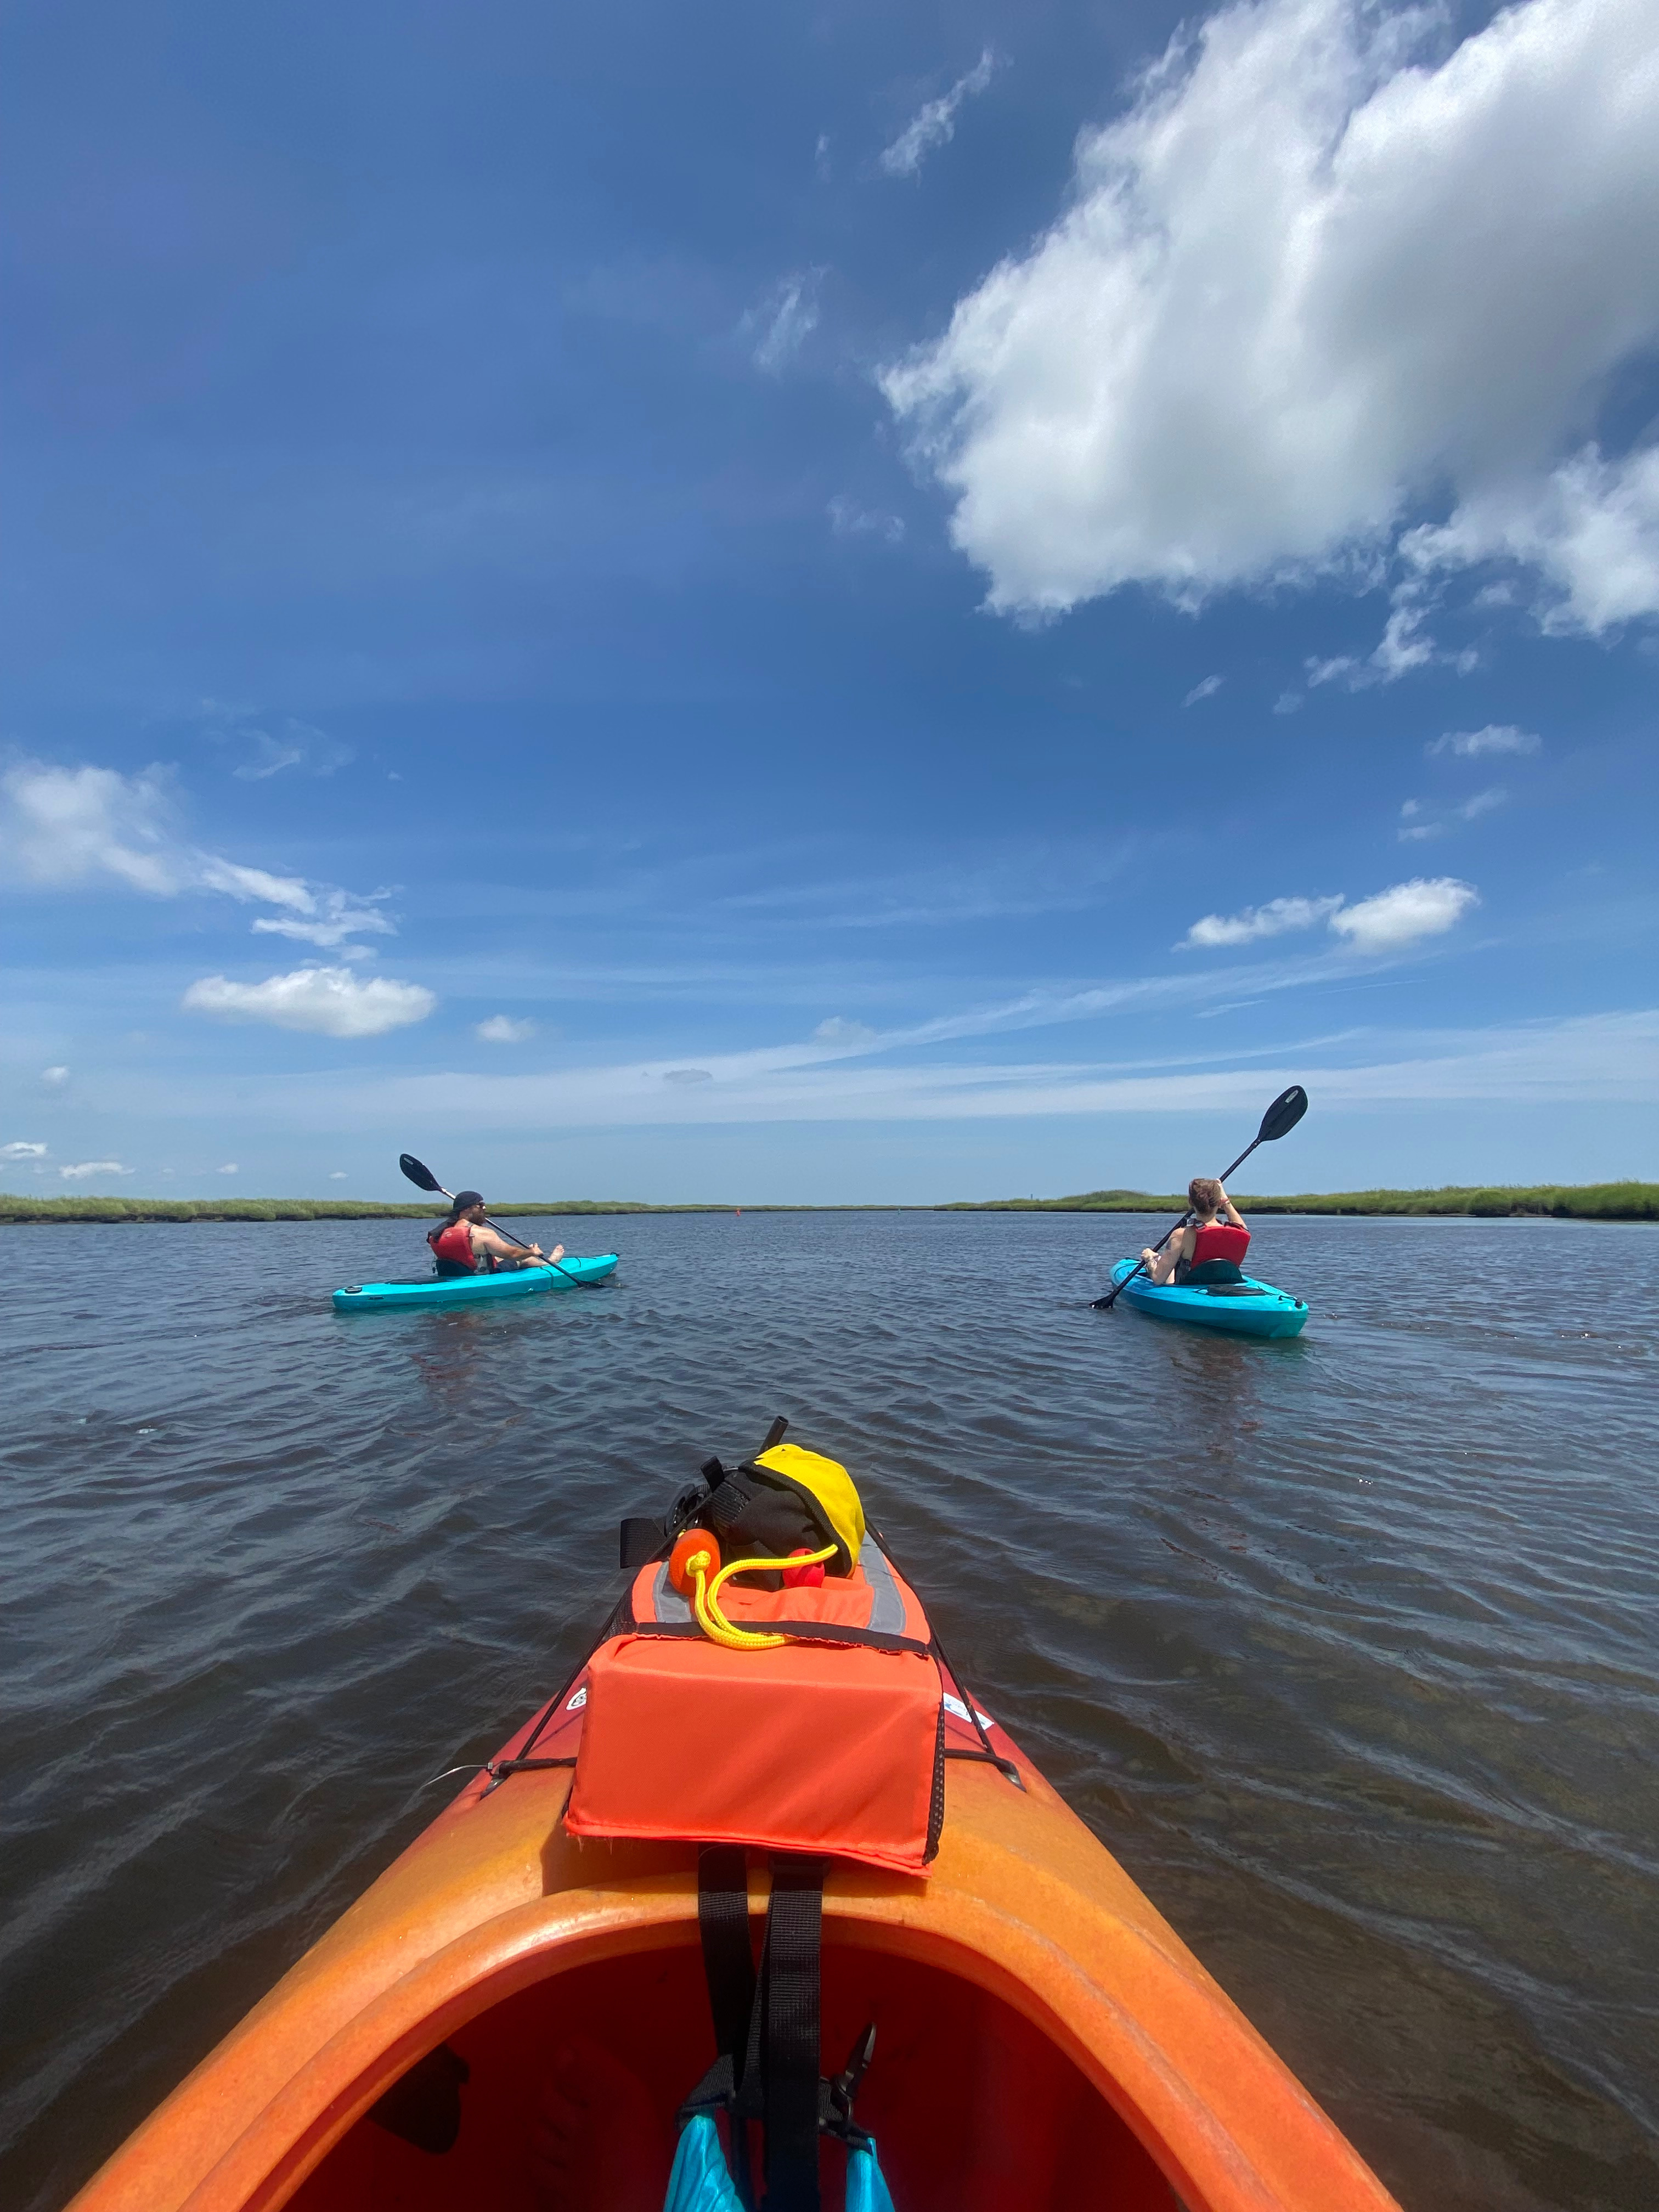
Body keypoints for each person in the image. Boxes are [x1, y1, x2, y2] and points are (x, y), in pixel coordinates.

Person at [427, 1190, 563, 1277]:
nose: (484, 1208)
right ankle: (550, 1263)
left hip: (455, 1274)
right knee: (523, 1258)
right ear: (467, 1209)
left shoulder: (441, 1231)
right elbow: (513, 1254)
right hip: (478, 1275)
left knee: (494, 1256)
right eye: (480, 1205)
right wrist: (532, 1252)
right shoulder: (483, 1233)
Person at [1141, 1177, 1250, 1285]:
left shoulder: (1181, 1235)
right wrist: (1226, 1202)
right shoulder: (1238, 1233)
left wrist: (1149, 1259)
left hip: (1189, 1289)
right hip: (1226, 1287)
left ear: (1191, 1202)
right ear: (1220, 1202)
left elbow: (1158, 1279)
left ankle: (1156, 1258)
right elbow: (1243, 1228)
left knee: (1163, 1262)